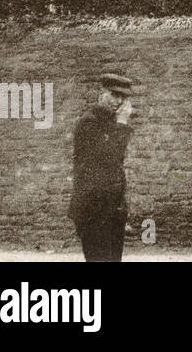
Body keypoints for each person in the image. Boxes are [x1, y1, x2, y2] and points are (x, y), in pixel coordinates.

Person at [68, 73, 134, 261]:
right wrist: (122, 124)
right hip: (93, 208)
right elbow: (108, 157)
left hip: (112, 207)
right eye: (114, 95)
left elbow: (117, 165)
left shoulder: (112, 122)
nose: (118, 101)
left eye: (123, 97)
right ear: (101, 93)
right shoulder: (88, 122)